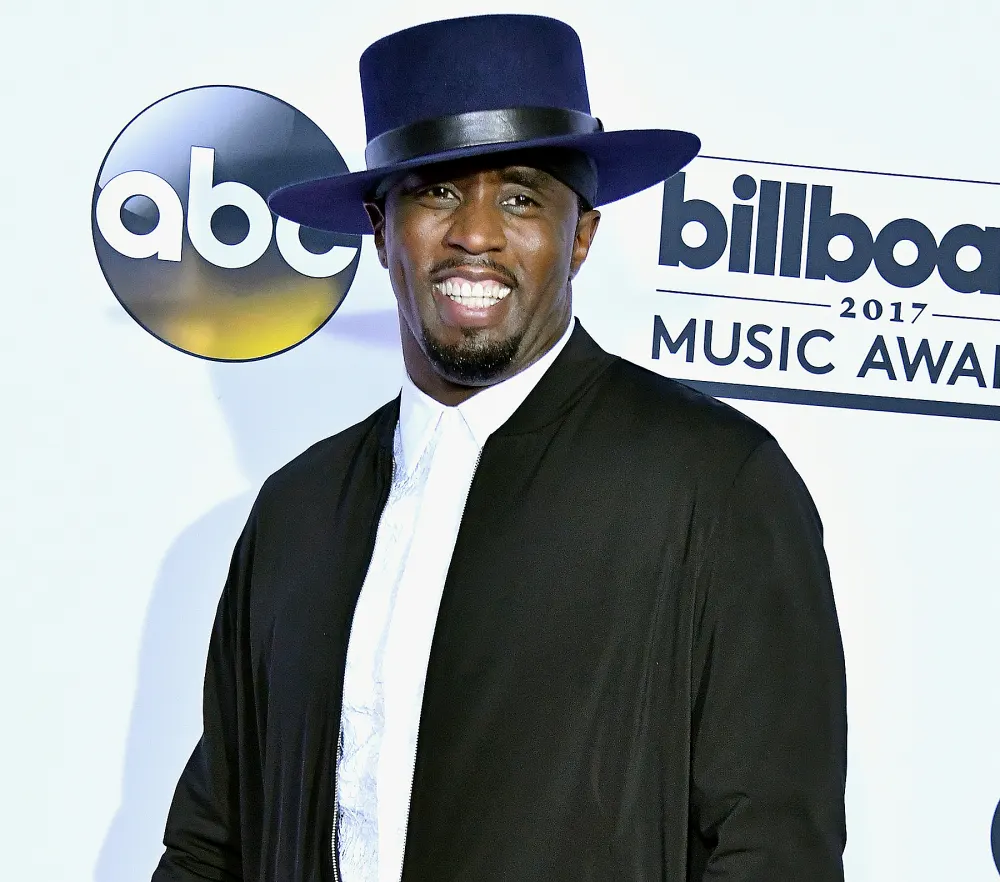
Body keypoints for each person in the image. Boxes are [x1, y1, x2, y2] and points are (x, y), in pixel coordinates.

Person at [153, 13, 847, 882]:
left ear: (581, 236)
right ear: (379, 228)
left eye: (521, 196)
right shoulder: (297, 510)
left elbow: (775, 848)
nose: (476, 234)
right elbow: (212, 841)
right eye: (437, 192)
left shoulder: (715, 483)